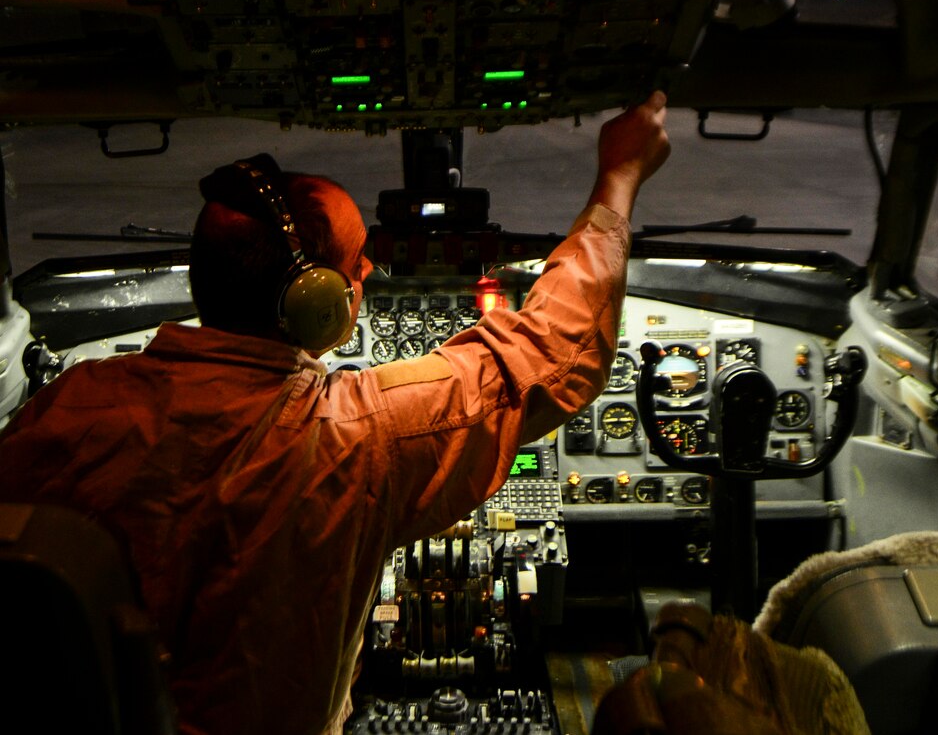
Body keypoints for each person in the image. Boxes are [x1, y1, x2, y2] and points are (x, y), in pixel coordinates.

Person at [0, 92, 671, 735]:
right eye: (357, 267)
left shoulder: (70, 406)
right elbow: (557, 351)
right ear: (317, 305)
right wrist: (620, 176)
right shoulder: (355, 435)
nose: (368, 275)